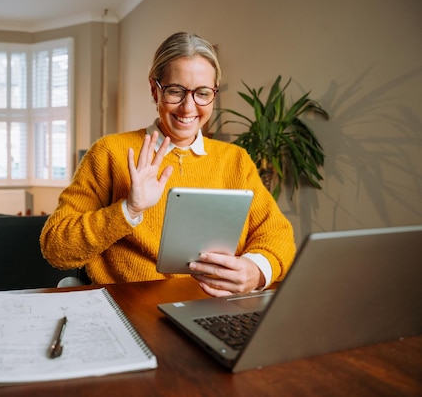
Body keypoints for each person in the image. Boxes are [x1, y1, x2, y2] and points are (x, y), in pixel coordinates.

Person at [40, 31, 296, 297]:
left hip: (216, 309)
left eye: (202, 93)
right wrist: (129, 209)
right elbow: (56, 247)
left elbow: (278, 235)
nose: (188, 107)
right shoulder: (109, 152)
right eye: (175, 91)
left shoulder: (235, 161)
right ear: (155, 89)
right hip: (134, 308)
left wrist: (256, 270)